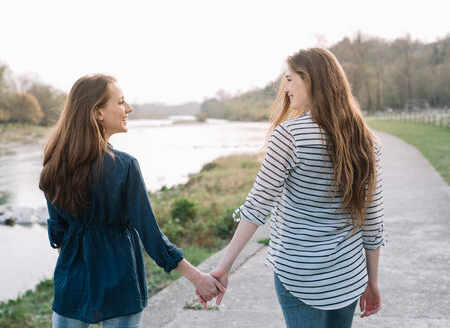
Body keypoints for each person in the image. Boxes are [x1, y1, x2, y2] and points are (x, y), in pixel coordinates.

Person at [208, 48, 387, 328]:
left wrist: (224, 266)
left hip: (299, 276)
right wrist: (372, 280)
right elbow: (372, 221)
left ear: (311, 79)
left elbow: (257, 207)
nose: (286, 88)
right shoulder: (365, 139)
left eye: (291, 79)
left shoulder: (289, 136)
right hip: (348, 276)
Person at [39, 74, 224, 327]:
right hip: (121, 285)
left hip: (72, 286)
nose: (129, 108)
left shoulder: (54, 163)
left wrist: (79, 271)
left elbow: (58, 234)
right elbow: (152, 236)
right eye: (121, 102)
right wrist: (198, 278)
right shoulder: (124, 166)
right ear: (98, 113)